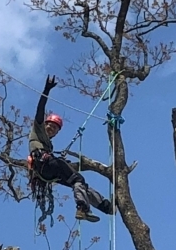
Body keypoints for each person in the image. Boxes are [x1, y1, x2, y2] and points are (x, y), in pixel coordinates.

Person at [28, 75, 114, 222]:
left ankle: (106, 206)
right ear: (45, 124)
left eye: (55, 128)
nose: (51, 129)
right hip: (44, 164)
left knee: (79, 184)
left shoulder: (49, 145)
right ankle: (82, 208)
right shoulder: (38, 129)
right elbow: (40, 109)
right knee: (77, 179)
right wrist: (47, 90)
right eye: (50, 125)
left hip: (49, 172)